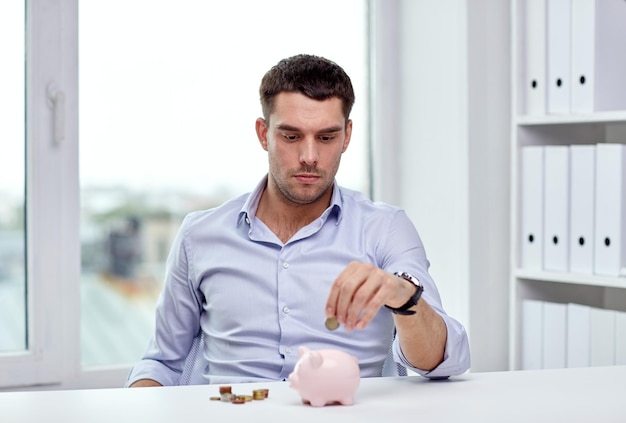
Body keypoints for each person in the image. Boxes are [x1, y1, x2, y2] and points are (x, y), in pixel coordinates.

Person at [126, 54, 470, 387]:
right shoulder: (199, 235)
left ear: (347, 136)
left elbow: (442, 361)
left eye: (326, 137)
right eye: (291, 137)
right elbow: (162, 362)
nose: (309, 157)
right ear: (264, 134)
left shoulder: (385, 229)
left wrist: (403, 296)